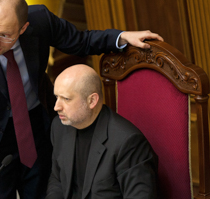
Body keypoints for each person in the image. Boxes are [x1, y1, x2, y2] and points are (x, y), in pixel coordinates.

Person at [0, 0, 163, 198]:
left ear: (23, 27)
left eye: (5, 35)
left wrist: (121, 37)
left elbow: (81, 41)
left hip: (37, 130)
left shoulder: (41, 21)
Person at [46, 64, 158, 199]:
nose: (56, 107)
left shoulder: (128, 143)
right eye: (56, 97)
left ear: (92, 100)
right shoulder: (59, 127)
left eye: (66, 99)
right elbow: (57, 180)